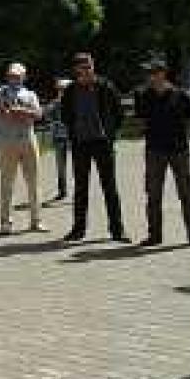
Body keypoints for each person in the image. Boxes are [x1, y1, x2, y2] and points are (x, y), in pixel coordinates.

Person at [134, 57, 190, 248]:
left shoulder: (181, 95)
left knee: (187, 195)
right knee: (153, 194)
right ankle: (154, 235)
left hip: (179, 151)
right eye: (148, 73)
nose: (149, 77)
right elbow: (140, 122)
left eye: (153, 73)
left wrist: (185, 131)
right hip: (154, 151)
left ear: (162, 74)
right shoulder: (143, 96)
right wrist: (141, 129)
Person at [60, 53, 127, 242]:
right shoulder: (70, 91)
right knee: (80, 188)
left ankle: (117, 230)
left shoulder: (106, 86)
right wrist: (74, 131)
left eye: (89, 66)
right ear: (76, 69)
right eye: (82, 66)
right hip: (81, 144)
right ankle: (78, 230)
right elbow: (65, 116)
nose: (87, 69)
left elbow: (118, 112)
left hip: (102, 143)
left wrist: (111, 135)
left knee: (110, 187)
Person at [0, 62, 45, 234]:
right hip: (7, 140)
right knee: (7, 182)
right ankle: (5, 222)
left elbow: (38, 114)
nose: (13, 78)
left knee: (33, 181)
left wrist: (22, 111)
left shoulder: (31, 94)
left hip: (28, 139)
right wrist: (24, 112)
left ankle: (36, 220)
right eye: (11, 75)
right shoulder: (0, 91)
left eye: (17, 76)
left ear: (24, 77)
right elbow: (2, 110)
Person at [45, 80, 71, 204]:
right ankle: (62, 190)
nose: (62, 91)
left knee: (78, 166)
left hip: (74, 138)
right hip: (59, 138)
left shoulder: (74, 103)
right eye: (60, 89)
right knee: (61, 166)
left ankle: (79, 190)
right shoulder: (55, 104)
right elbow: (47, 116)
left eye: (64, 89)